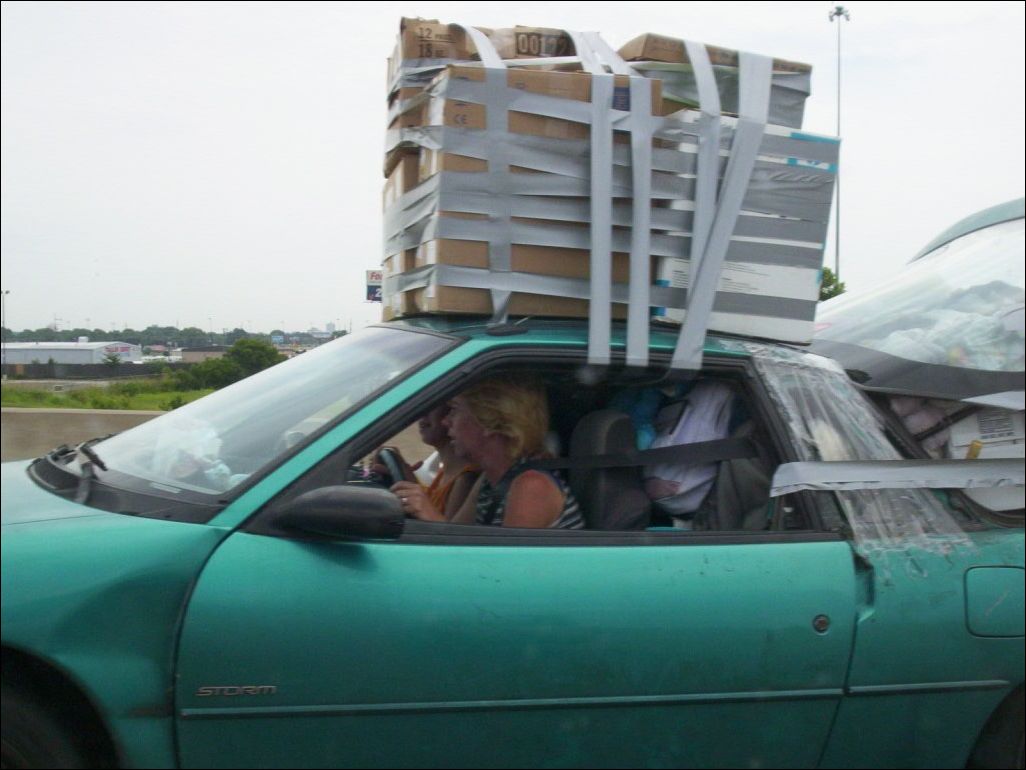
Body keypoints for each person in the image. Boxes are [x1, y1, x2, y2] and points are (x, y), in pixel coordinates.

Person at [434, 376, 584, 529]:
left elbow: (494, 549)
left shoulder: (532, 486)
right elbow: (457, 534)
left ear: (490, 420)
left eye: (455, 410)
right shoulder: (491, 479)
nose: (446, 421)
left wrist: (425, 509)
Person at [384, 405, 479, 522]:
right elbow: (426, 505)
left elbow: (447, 531)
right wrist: (403, 474)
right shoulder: (444, 471)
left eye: (434, 405)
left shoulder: (467, 478)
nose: (422, 414)